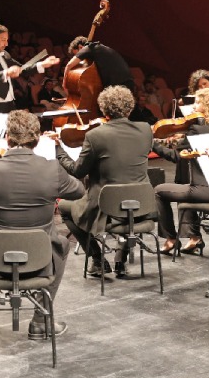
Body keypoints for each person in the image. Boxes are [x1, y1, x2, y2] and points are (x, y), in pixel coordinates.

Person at [0, 109, 82, 337]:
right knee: (61, 243)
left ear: (7, 138)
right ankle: (41, 320)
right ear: (37, 139)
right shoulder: (52, 169)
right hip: (38, 257)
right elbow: (79, 191)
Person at [57, 85, 153, 278]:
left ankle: (97, 259)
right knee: (126, 206)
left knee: (64, 207)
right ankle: (120, 260)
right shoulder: (145, 129)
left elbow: (78, 171)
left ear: (103, 109)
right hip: (141, 205)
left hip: (105, 207)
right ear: (130, 108)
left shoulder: (95, 135)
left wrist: (58, 150)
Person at [151, 87, 209, 255]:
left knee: (159, 191)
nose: (194, 106)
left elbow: (176, 157)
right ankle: (194, 237)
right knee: (183, 183)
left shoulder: (197, 129)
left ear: (207, 105)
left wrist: (153, 144)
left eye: (197, 102)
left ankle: (171, 239)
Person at [0, 24, 59, 113]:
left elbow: (22, 69)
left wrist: (43, 64)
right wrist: (7, 73)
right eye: (3, 40)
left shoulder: (5, 54)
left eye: (7, 40)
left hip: (10, 102)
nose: (6, 44)